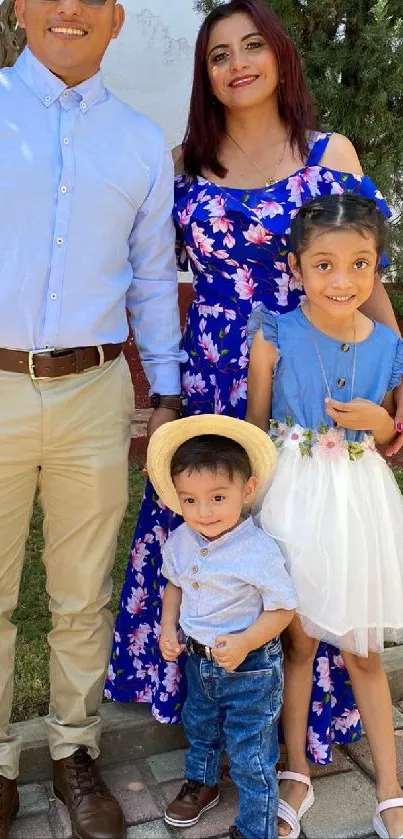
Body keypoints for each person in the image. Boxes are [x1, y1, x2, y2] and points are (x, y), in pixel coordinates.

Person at [107, 0, 403, 822]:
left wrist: (392, 385)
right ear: (204, 77)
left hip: (310, 373)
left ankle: (302, 728)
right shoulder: (183, 162)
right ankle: (211, 706)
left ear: (278, 58)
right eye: (216, 55)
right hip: (214, 380)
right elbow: (147, 276)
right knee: (217, 524)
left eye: (251, 47)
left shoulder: (328, 152)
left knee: (304, 536)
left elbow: (365, 280)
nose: (236, 63)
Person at [0, 1, 184, 837]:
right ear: (20, 10)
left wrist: (169, 391)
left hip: (95, 390)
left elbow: (152, 279)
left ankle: (75, 750)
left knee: (82, 593)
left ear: (113, 20)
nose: (65, 7)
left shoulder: (141, 142)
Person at [247, 193, 403, 839]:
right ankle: (294, 769)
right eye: (324, 265)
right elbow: (254, 428)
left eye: (359, 264)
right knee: (298, 640)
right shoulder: (273, 332)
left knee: (363, 649)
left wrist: (381, 421)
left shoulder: (389, 343)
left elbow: (387, 429)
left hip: (356, 500)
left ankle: (389, 787)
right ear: (296, 267)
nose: (342, 281)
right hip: (289, 492)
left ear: (377, 268)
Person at [146, 414, 297, 839]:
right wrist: (167, 627)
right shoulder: (181, 538)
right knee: (200, 725)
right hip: (198, 660)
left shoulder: (257, 550)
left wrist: (247, 640)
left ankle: (255, 828)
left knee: (251, 751)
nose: (203, 512)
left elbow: (283, 609)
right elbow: (174, 584)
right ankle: (202, 782)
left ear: (246, 491)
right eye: (189, 500)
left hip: (251, 668)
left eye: (217, 497)